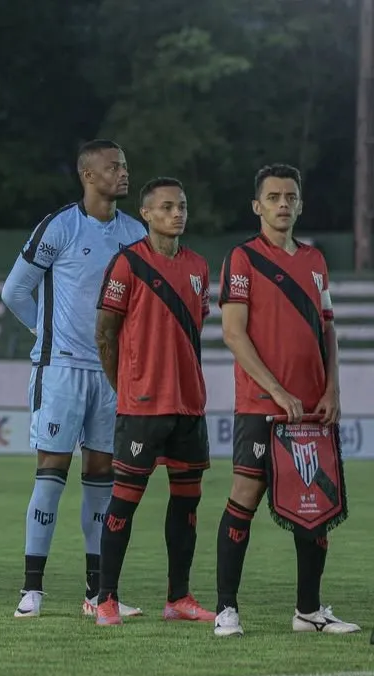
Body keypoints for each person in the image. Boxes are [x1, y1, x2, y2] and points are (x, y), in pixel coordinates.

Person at [0, 139, 146, 618]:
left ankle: (97, 595)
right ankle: (32, 589)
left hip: (110, 374)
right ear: (88, 175)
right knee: (51, 473)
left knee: (103, 477)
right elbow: (15, 291)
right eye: (113, 166)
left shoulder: (135, 233)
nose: (123, 173)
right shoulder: (60, 226)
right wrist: (48, 335)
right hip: (60, 369)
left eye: (124, 166)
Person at [213, 164, 360, 636]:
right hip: (262, 404)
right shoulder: (242, 259)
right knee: (245, 497)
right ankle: (226, 610)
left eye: (289, 197)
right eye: (273, 196)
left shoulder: (315, 261)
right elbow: (233, 334)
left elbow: (328, 328)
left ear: (299, 204)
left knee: (315, 503)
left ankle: (308, 611)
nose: (282, 204)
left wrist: (331, 387)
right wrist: (277, 389)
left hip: (313, 410)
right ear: (257, 206)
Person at [92, 178, 215, 625]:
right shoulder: (126, 264)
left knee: (187, 503)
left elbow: (195, 323)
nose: (176, 213)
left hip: (188, 405)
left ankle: (178, 598)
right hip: (142, 405)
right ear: (146, 213)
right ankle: (105, 598)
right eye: (166, 207)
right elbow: (105, 331)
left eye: (181, 205)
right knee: (124, 500)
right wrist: (123, 386)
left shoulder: (200, 266)